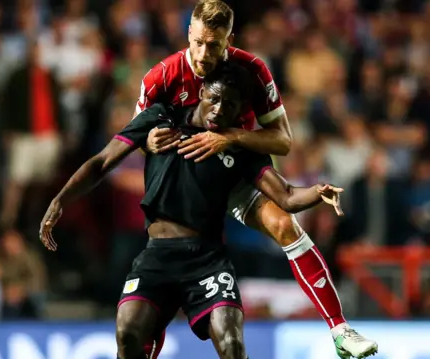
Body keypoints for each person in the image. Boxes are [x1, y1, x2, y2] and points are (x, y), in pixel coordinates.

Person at [40, 63, 349, 359]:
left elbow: (287, 196)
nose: (219, 110)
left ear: (240, 110)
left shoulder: (240, 148)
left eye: (229, 105)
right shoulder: (161, 118)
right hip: (158, 255)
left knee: (231, 343)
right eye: (214, 99)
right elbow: (102, 162)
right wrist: (60, 199)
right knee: (128, 335)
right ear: (201, 92)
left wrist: (318, 192)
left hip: (207, 260)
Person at [138, 1, 377, 358]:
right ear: (188, 32)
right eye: (199, 42)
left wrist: (230, 137)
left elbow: (281, 139)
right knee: (167, 273)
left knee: (285, 223)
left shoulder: (252, 70)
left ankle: (341, 331)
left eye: (215, 45)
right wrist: (148, 142)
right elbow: (136, 138)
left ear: (229, 40)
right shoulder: (161, 76)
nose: (204, 54)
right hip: (184, 180)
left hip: (234, 168)